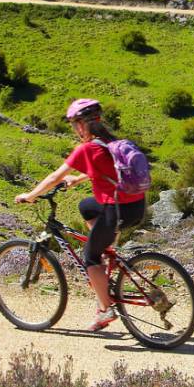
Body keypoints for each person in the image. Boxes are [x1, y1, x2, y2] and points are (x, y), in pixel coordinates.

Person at [15, 98, 148, 332]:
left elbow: (55, 177)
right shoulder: (110, 141)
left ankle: (106, 309)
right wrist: (78, 179)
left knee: (89, 256)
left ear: (80, 124)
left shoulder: (86, 148)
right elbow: (109, 169)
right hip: (136, 207)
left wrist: (32, 194)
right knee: (87, 206)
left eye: (74, 124)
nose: (74, 129)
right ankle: (109, 249)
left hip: (115, 211)